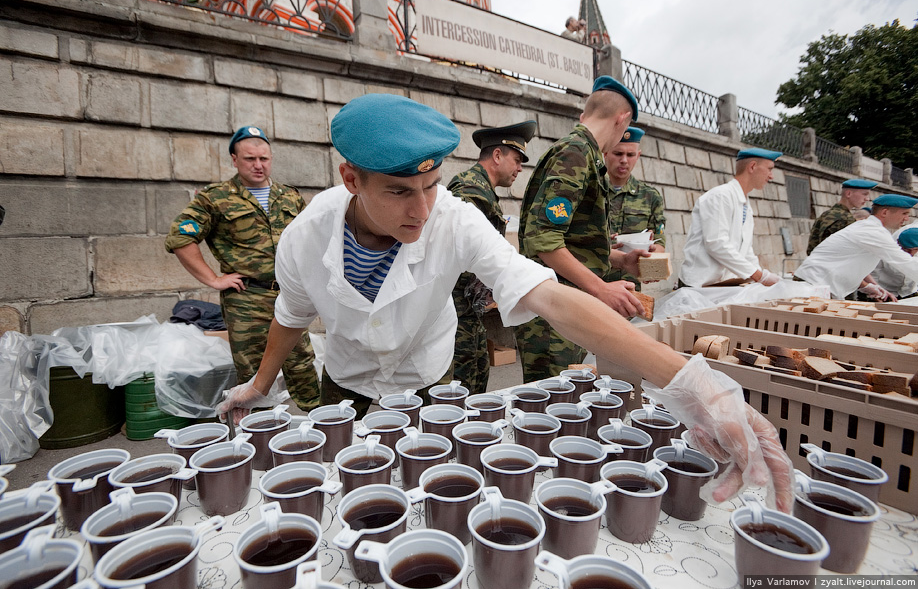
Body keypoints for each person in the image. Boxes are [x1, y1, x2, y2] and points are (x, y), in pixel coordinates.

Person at [216, 90, 795, 513]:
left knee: (430, 498)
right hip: (344, 381)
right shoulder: (303, 238)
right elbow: (289, 319)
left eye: (430, 185)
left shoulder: (455, 220)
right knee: (348, 498)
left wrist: (698, 386)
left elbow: (552, 297)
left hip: (426, 377)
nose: (421, 210)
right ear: (351, 179)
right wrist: (260, 384)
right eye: (398, 191)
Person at [165, 126, 320, 410]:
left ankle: (322, 428)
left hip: (288, 295)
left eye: (264, 158)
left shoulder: (290, 197)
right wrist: (213, 279)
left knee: (301, 364)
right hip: (246, 299)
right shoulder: (215, 198)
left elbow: (310, 239)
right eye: (250, 159)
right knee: (252, 371)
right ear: (235, 160)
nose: (258, 165)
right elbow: (180, 237)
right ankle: (259, 435)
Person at [515, 76, 649, 384]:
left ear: (584, 115)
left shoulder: (585, 154)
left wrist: (620, 261)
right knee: (550, 401)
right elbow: (545, 240)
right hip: (553, 308)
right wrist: (601, 289)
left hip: (562, 301)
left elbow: (572, 239)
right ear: (622, 119)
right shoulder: (575, 153)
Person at [448, 120, 537, 396]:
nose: (520, 167)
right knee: (459, 389)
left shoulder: (483, 191)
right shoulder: (469, 190)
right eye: (517, 159)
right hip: (456, 307)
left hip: (469, 308)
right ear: (497, 156)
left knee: (477, 377)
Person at [679, 148, 782, 288]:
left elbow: (746, 250)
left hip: (721, 286)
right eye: (769, 169)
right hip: (698, 286)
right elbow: (716, 243)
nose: (771, 176)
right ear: (752, 166)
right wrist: (758, 276)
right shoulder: (720, 196)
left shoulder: (745, 203)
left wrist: (762, 279)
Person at [795, 194, 918, 300]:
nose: (907, 218)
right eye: (904, 213)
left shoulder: (869, 228)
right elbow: (904, 261)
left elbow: (846, 265)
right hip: (813, 287)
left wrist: (867, 286)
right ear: (885, 212)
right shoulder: (873, 232)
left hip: (817, 285)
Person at [605, 126, 667, 290]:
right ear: (605, 152)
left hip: (630, 289)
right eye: (618, 153)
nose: (624, 160)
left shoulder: (650, 197)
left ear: (638, 156)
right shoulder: (591, 191)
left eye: (630, 154)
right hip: (593, 286)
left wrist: (652, 257)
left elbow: (660, 243)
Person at [806, 179, 878, 254]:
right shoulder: (845, 218)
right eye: (865, 194)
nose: (867, 199)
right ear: (848, 194)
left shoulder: (825, 214)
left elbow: (811, 248)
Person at [871, 228, 918, 299]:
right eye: (906, 250)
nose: (910, 253)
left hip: (910, 293)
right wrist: (876, 294)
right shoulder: (885, 253)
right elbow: (873, 275)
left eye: (914, 250)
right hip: (885, 293)